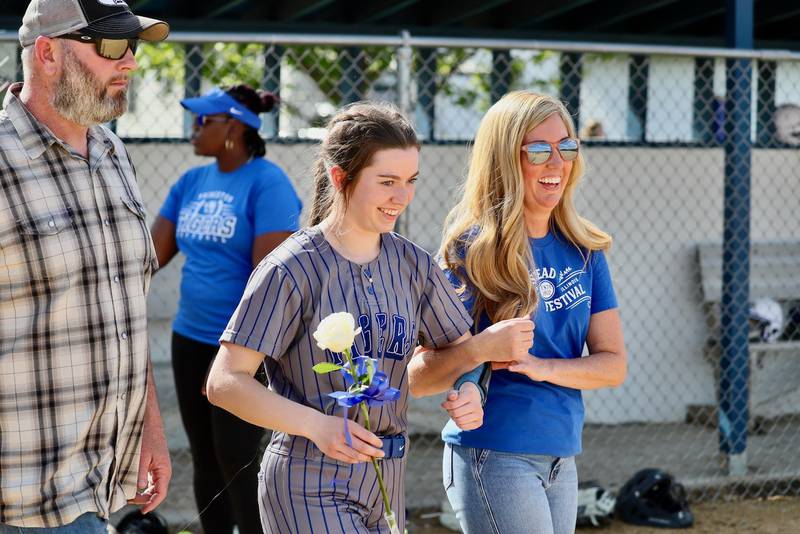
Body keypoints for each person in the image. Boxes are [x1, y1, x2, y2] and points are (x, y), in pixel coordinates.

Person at [204, 102, 532, 533]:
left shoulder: (412, 264)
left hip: (386, 481)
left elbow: (453, 357)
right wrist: (316, 425)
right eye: (387, 182)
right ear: (341, 178)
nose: (403, 196)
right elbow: (224, 383)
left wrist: (469, 388)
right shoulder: (291, 268)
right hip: (308, 481)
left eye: (410, 181)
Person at [409, 91, 627, 534]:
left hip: (561, 457)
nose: (556, 163)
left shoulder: (584, 250)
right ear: (505, 158)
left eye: (566, 147)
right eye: (538, 150)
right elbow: (416, 375)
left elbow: (613, 366)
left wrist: (540, 367)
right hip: (493, 453)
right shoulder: (470, 251)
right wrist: (480, 350)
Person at [0, 1, 171, 531]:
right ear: (48, 53)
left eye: (133, 46)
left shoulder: (112, 152)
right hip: (18, 501)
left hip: (97, 490)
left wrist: (151, 429)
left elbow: (123, 307)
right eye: (112, 46)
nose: (131, 63)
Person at [149, 85, 302, 534]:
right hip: (189, 337)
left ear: (234, 126)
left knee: (236, 456)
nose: (194, 129)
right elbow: (148, 257)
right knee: (204, 455)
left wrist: (227, 358)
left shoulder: (267, 183)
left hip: (240, 347)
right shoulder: (190, 183)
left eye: (204, 121)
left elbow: (266, 282)